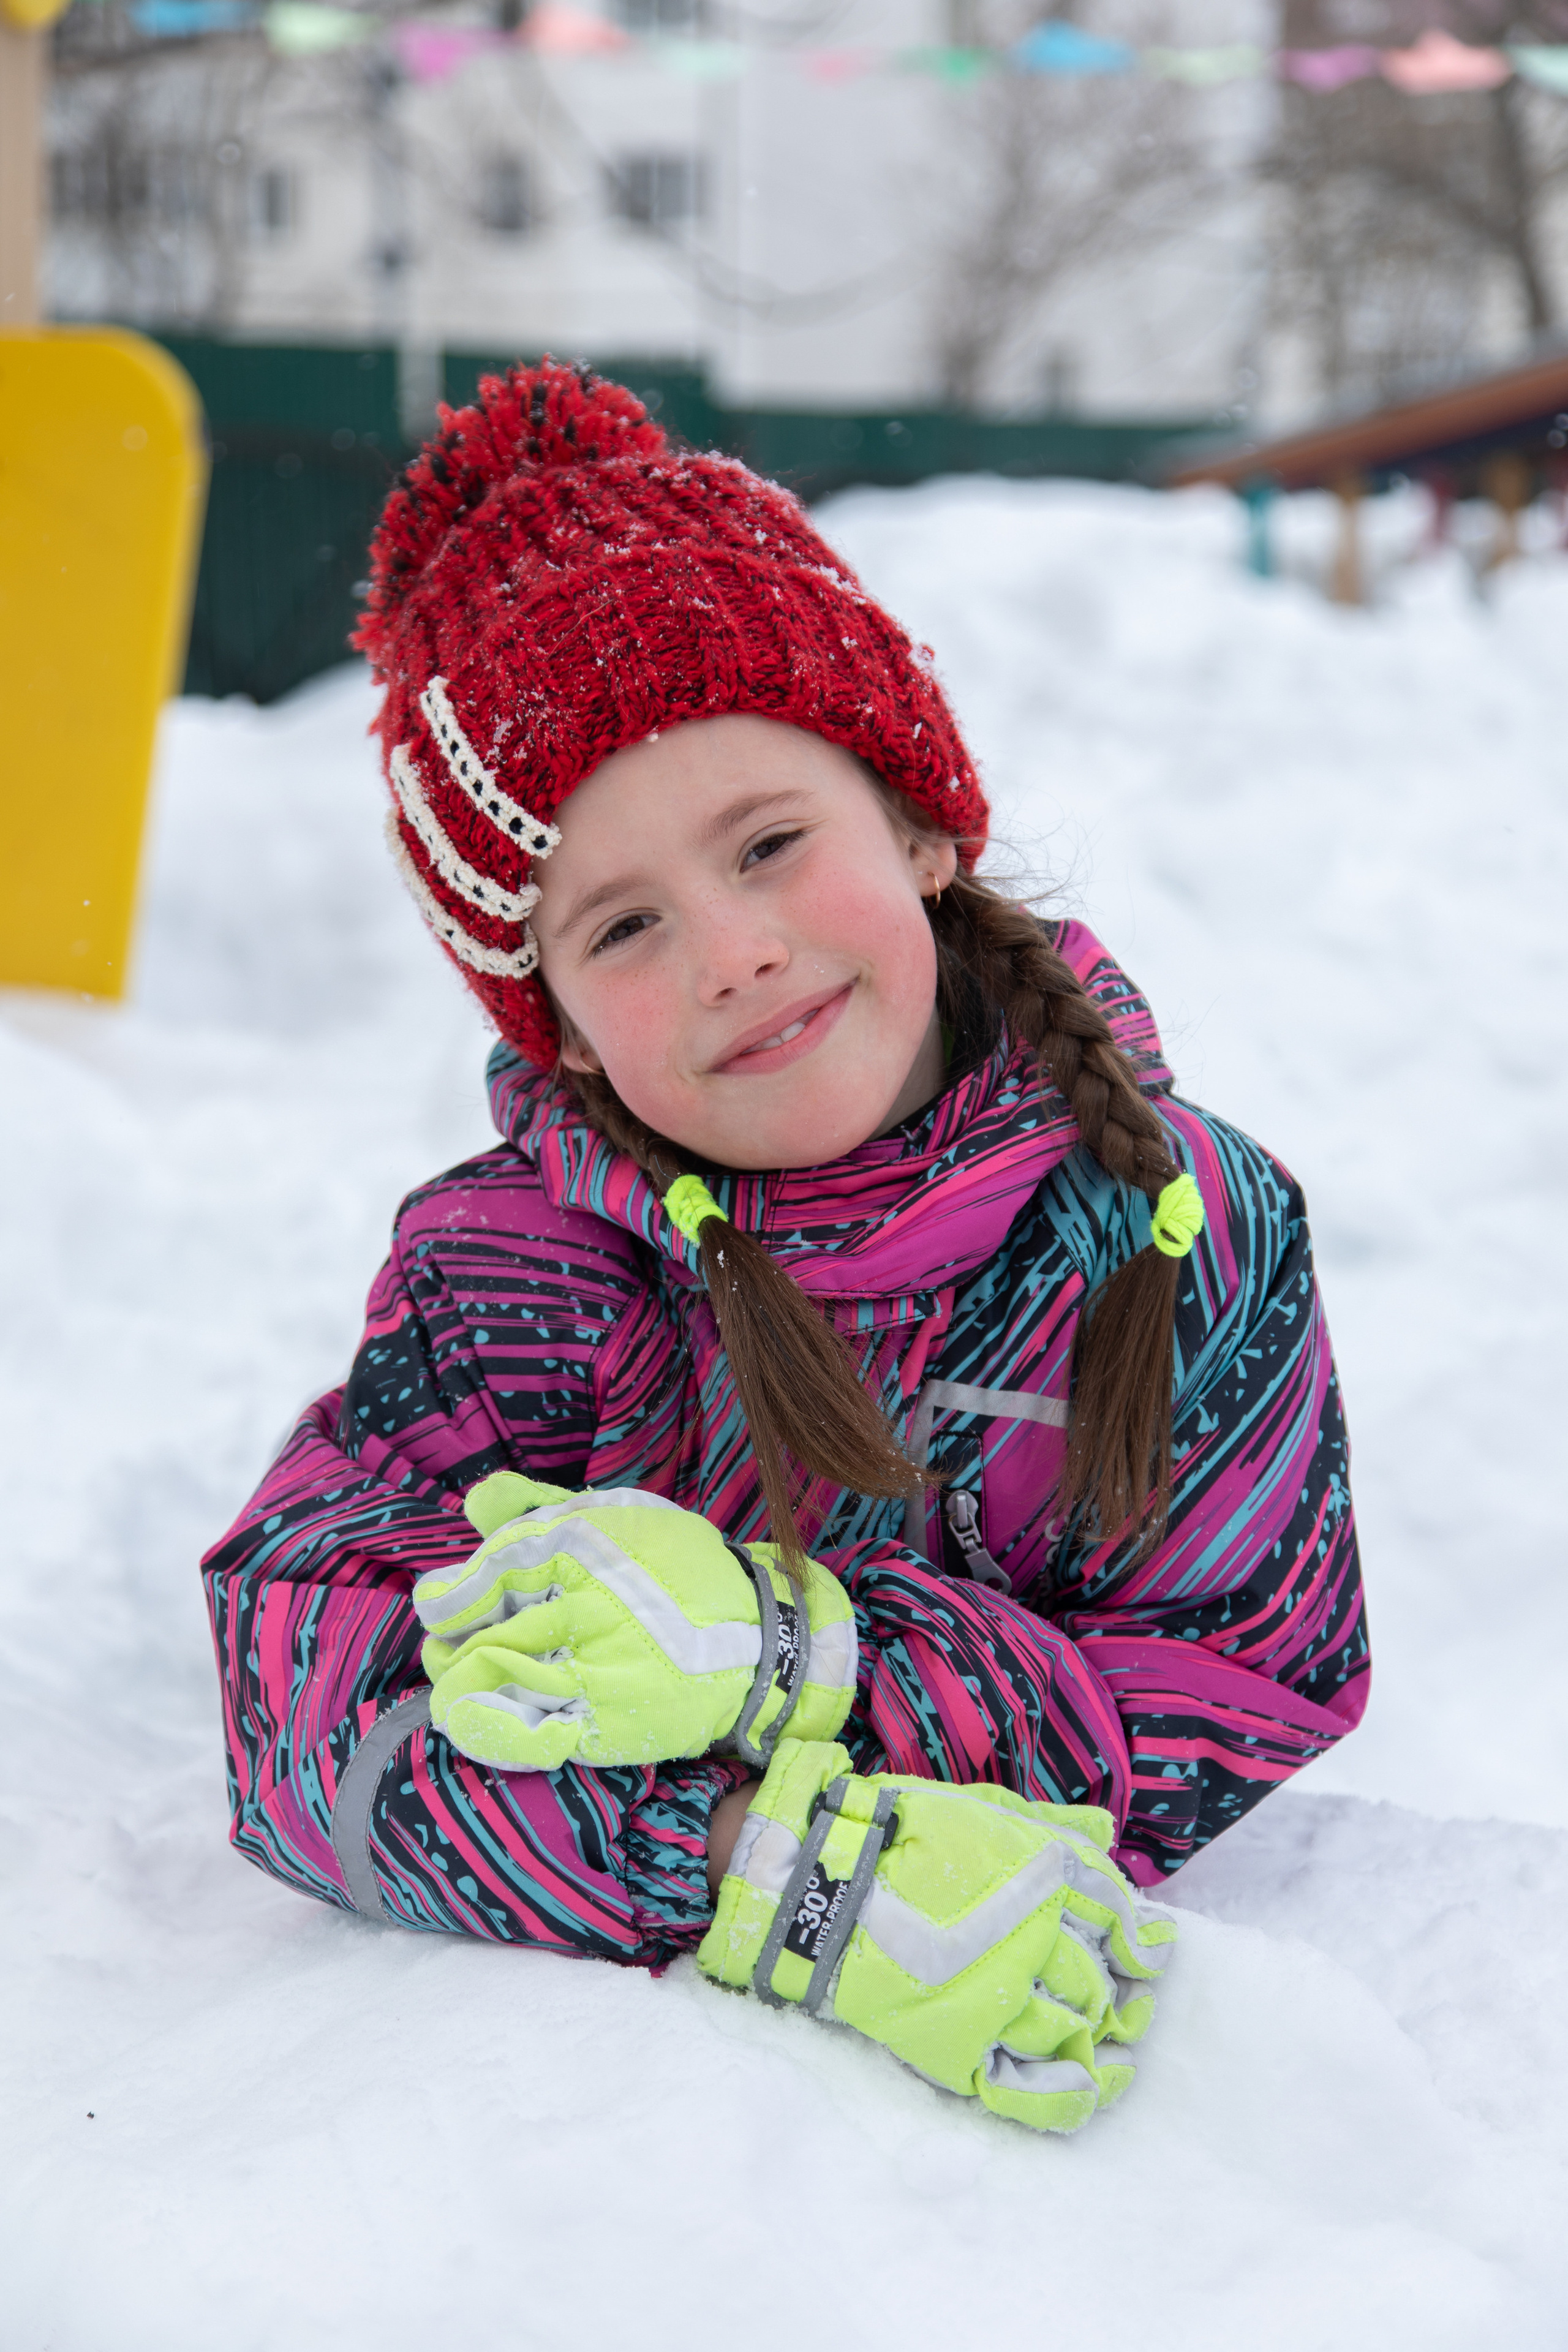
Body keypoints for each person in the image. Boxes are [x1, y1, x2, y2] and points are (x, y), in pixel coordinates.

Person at [202, 360, 1367, 2133]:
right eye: (625, 923)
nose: (733, 952)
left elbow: (1237, 1683)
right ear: (566, 1028)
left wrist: (790, 1657)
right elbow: (309, 1705)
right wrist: (771, 1874)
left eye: (768, 843)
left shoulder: (1180, 1229)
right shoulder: (510, 1278)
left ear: (914, 823)